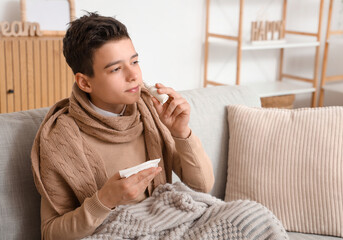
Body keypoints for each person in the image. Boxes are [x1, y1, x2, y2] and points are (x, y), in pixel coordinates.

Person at [31, 12, 214, 240]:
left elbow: (202, 186)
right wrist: (104, 201)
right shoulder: (60, 138)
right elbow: (50, 233)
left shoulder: (152, 109)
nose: (133, 76)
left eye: (135, 62)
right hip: (117, 234)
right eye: (116, 69)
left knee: (251, 215)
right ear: (84, 82)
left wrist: (181, 133)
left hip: (171, 226)